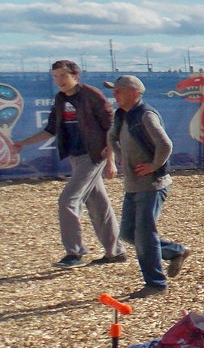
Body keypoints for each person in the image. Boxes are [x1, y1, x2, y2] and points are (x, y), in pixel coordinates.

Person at [12, 60, 125, 268]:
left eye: (63, 75)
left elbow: (111, 126)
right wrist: (23, 143)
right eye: (55, 76)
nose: (59, 81)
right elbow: (51, 129)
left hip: (94, 155)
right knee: (98, 203)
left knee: (67, 200)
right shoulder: (60, 99)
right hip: (75, 155)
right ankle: (115, 251)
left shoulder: (90, 94)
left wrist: (110, 160)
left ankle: (75, 253)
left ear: (75, 76)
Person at [106, 75, 190, 298]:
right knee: (128, 234)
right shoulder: (121, 115)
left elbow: (165, 144)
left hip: (152, 184)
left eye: (118, 91)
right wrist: (120, 155)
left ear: (134, 92)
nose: (114, 95)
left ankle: (155, 284)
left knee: (144, 234)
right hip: (133, 184)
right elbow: (112, 137)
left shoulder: (145, 115)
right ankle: (175, 251)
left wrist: (154, 165)